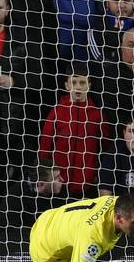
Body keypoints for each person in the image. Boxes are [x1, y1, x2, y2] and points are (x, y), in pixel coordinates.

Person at [39, 62, 109, 198]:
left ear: (89, 85)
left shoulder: (97, 115)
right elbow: (45, 146)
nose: (78, 87)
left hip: (87, 185)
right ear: (67, 85)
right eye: (74, 82)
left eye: (82, 83)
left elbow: (105, 148)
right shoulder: (57, 112)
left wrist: (95, 174)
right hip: (59, 185)